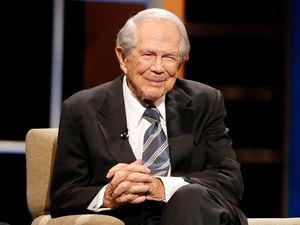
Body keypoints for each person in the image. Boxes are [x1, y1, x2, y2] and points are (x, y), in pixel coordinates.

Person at [50, 8, 248, 225]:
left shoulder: (205, 102)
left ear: (181, 62)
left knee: (190, 197)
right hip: (131, 219)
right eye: (148, 54)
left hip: (199, 216)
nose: (157, 68)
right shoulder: (81, 109)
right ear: (123, 57)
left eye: (169, 57)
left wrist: (160, 186)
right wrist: (109, 195)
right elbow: (64, 196)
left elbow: (229, 181)